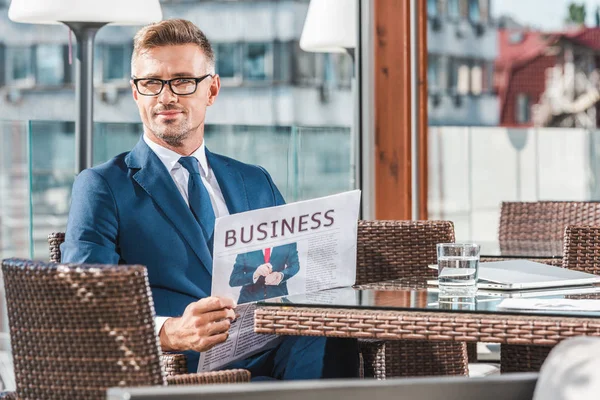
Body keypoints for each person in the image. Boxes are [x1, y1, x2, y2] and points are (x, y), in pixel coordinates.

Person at [60, 18, 359, 379]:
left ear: (212, 90)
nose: (166, 97)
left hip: (268, 349)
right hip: (183, 366)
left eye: (183, 82)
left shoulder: (253, 180)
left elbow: (291, 272)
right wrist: (170, 331)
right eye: (152, 83)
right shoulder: (102, 186)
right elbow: (82, 306)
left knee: (329, 328)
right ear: (136, 93)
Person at [229, 243, 299, 304]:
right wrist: (255, 274)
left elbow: (295, 265)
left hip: (277, 298)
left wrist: (281, 275)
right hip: (249, 300)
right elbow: (234, 280)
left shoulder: (287, 242)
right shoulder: (246, 245)